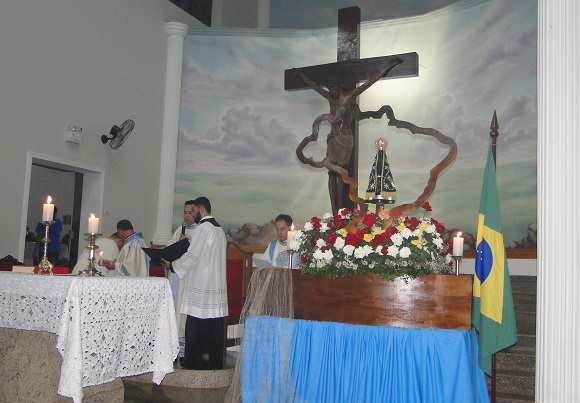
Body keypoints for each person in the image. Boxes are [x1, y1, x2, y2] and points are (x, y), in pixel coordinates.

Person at [295, 58, 403, 213]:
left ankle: (340, 208)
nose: (332, 91)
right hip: (332, 138)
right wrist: (301, 75)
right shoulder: (330, 97)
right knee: (331, 172)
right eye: (329, 88)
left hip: (344, 139)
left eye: (334, 88)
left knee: (339, 171)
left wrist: (388, 65)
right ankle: (335, 208)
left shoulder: (350, 96)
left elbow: (369, 82)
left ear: (339, 87)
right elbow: (314, 86)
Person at [160, 197, 228, 370]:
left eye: (194, 211)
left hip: (202, 284)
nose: (192, 214)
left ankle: (195, 362)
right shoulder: (219, 229)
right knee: (212, 326)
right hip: (215, 283)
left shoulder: (204, 228)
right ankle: (212, 361)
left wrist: (173, 266)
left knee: (198, 326)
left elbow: (193, 256)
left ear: (201, 209)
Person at [168, 200, 199, 355]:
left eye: (190, 212)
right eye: (185, 212)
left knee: (183, 310)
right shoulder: (180, 229)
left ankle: (183, 346)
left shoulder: (200, 231)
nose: (187, 216)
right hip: (175, 276)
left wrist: (185, 244)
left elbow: (197, 255)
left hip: (188, 278)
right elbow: (171, 247)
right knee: (173, 308)